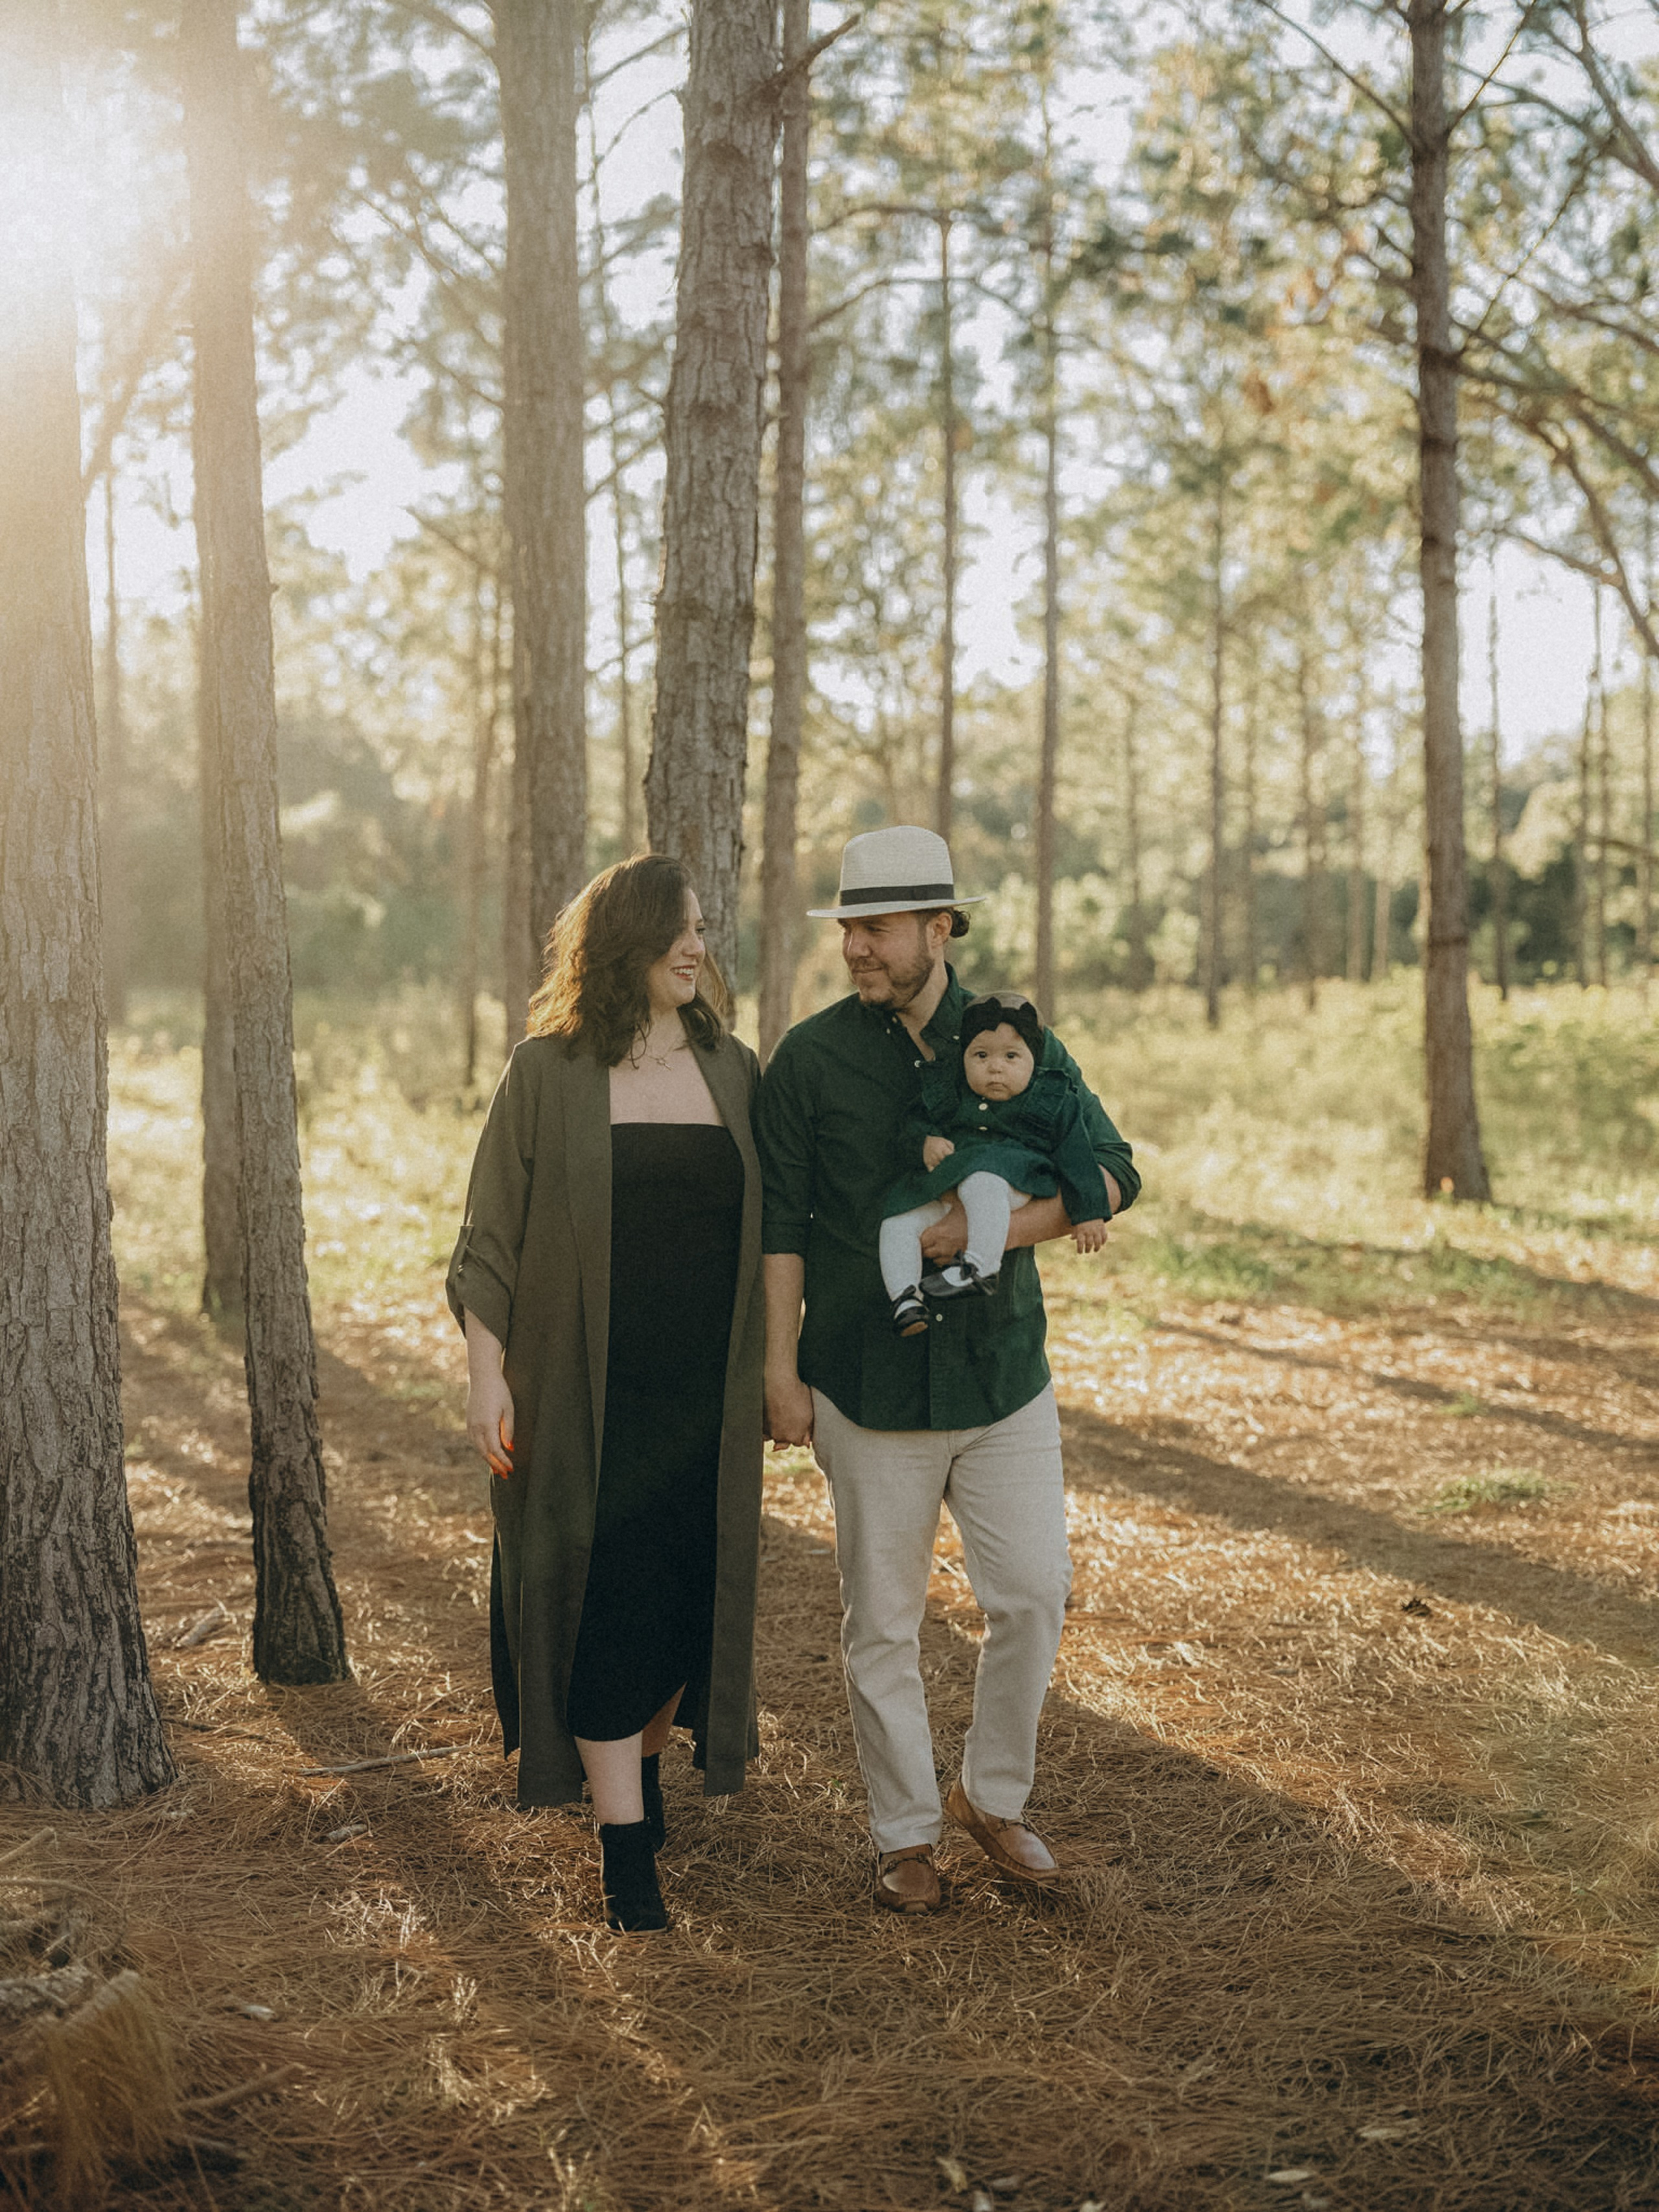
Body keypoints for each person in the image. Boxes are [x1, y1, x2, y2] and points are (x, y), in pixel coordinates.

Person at [756, 826, 1138, 1915]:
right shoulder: (809, 1059)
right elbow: (780, 1226)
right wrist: (779, 1369)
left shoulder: (1016, 1039)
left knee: (1032, 1594)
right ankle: (904, 1831)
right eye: (848, 931)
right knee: (882, 1619)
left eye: (875, 930)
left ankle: (995, 1797)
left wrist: (1001, 1231)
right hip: (866, 1386)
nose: (856, 951)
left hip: (1003, 1376)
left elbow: (1113, 1171)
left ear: (938, 928)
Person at [447, 854, 765, 1935]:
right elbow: (487, 1237)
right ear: (622, 942)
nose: (697, 946)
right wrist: (488, 1373)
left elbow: (779, 1234)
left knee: (684, 1613)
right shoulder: (549, 1071)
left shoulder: (737, 1072)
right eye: (677, 928)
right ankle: (624, 1853)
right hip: (585, 1398)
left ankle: (639, 1765)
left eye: (701, 927)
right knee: (598, 1616)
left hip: (703, 1404)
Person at [878, 988, 1111, 1334]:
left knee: (983, 1180)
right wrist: (924, 1144)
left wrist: (1089, 1212)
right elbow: (913, 1124)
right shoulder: (952, 1092)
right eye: (981, 1055)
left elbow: (1077, 1155)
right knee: (898, 1222)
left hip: (1014, 1183)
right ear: (965, 1058)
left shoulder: (1050, 1100)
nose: (995, 1067)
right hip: (950, 1188)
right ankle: (906, 1300)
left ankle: (980, 1269)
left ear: (1034, 1060)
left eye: (1011, 1056)